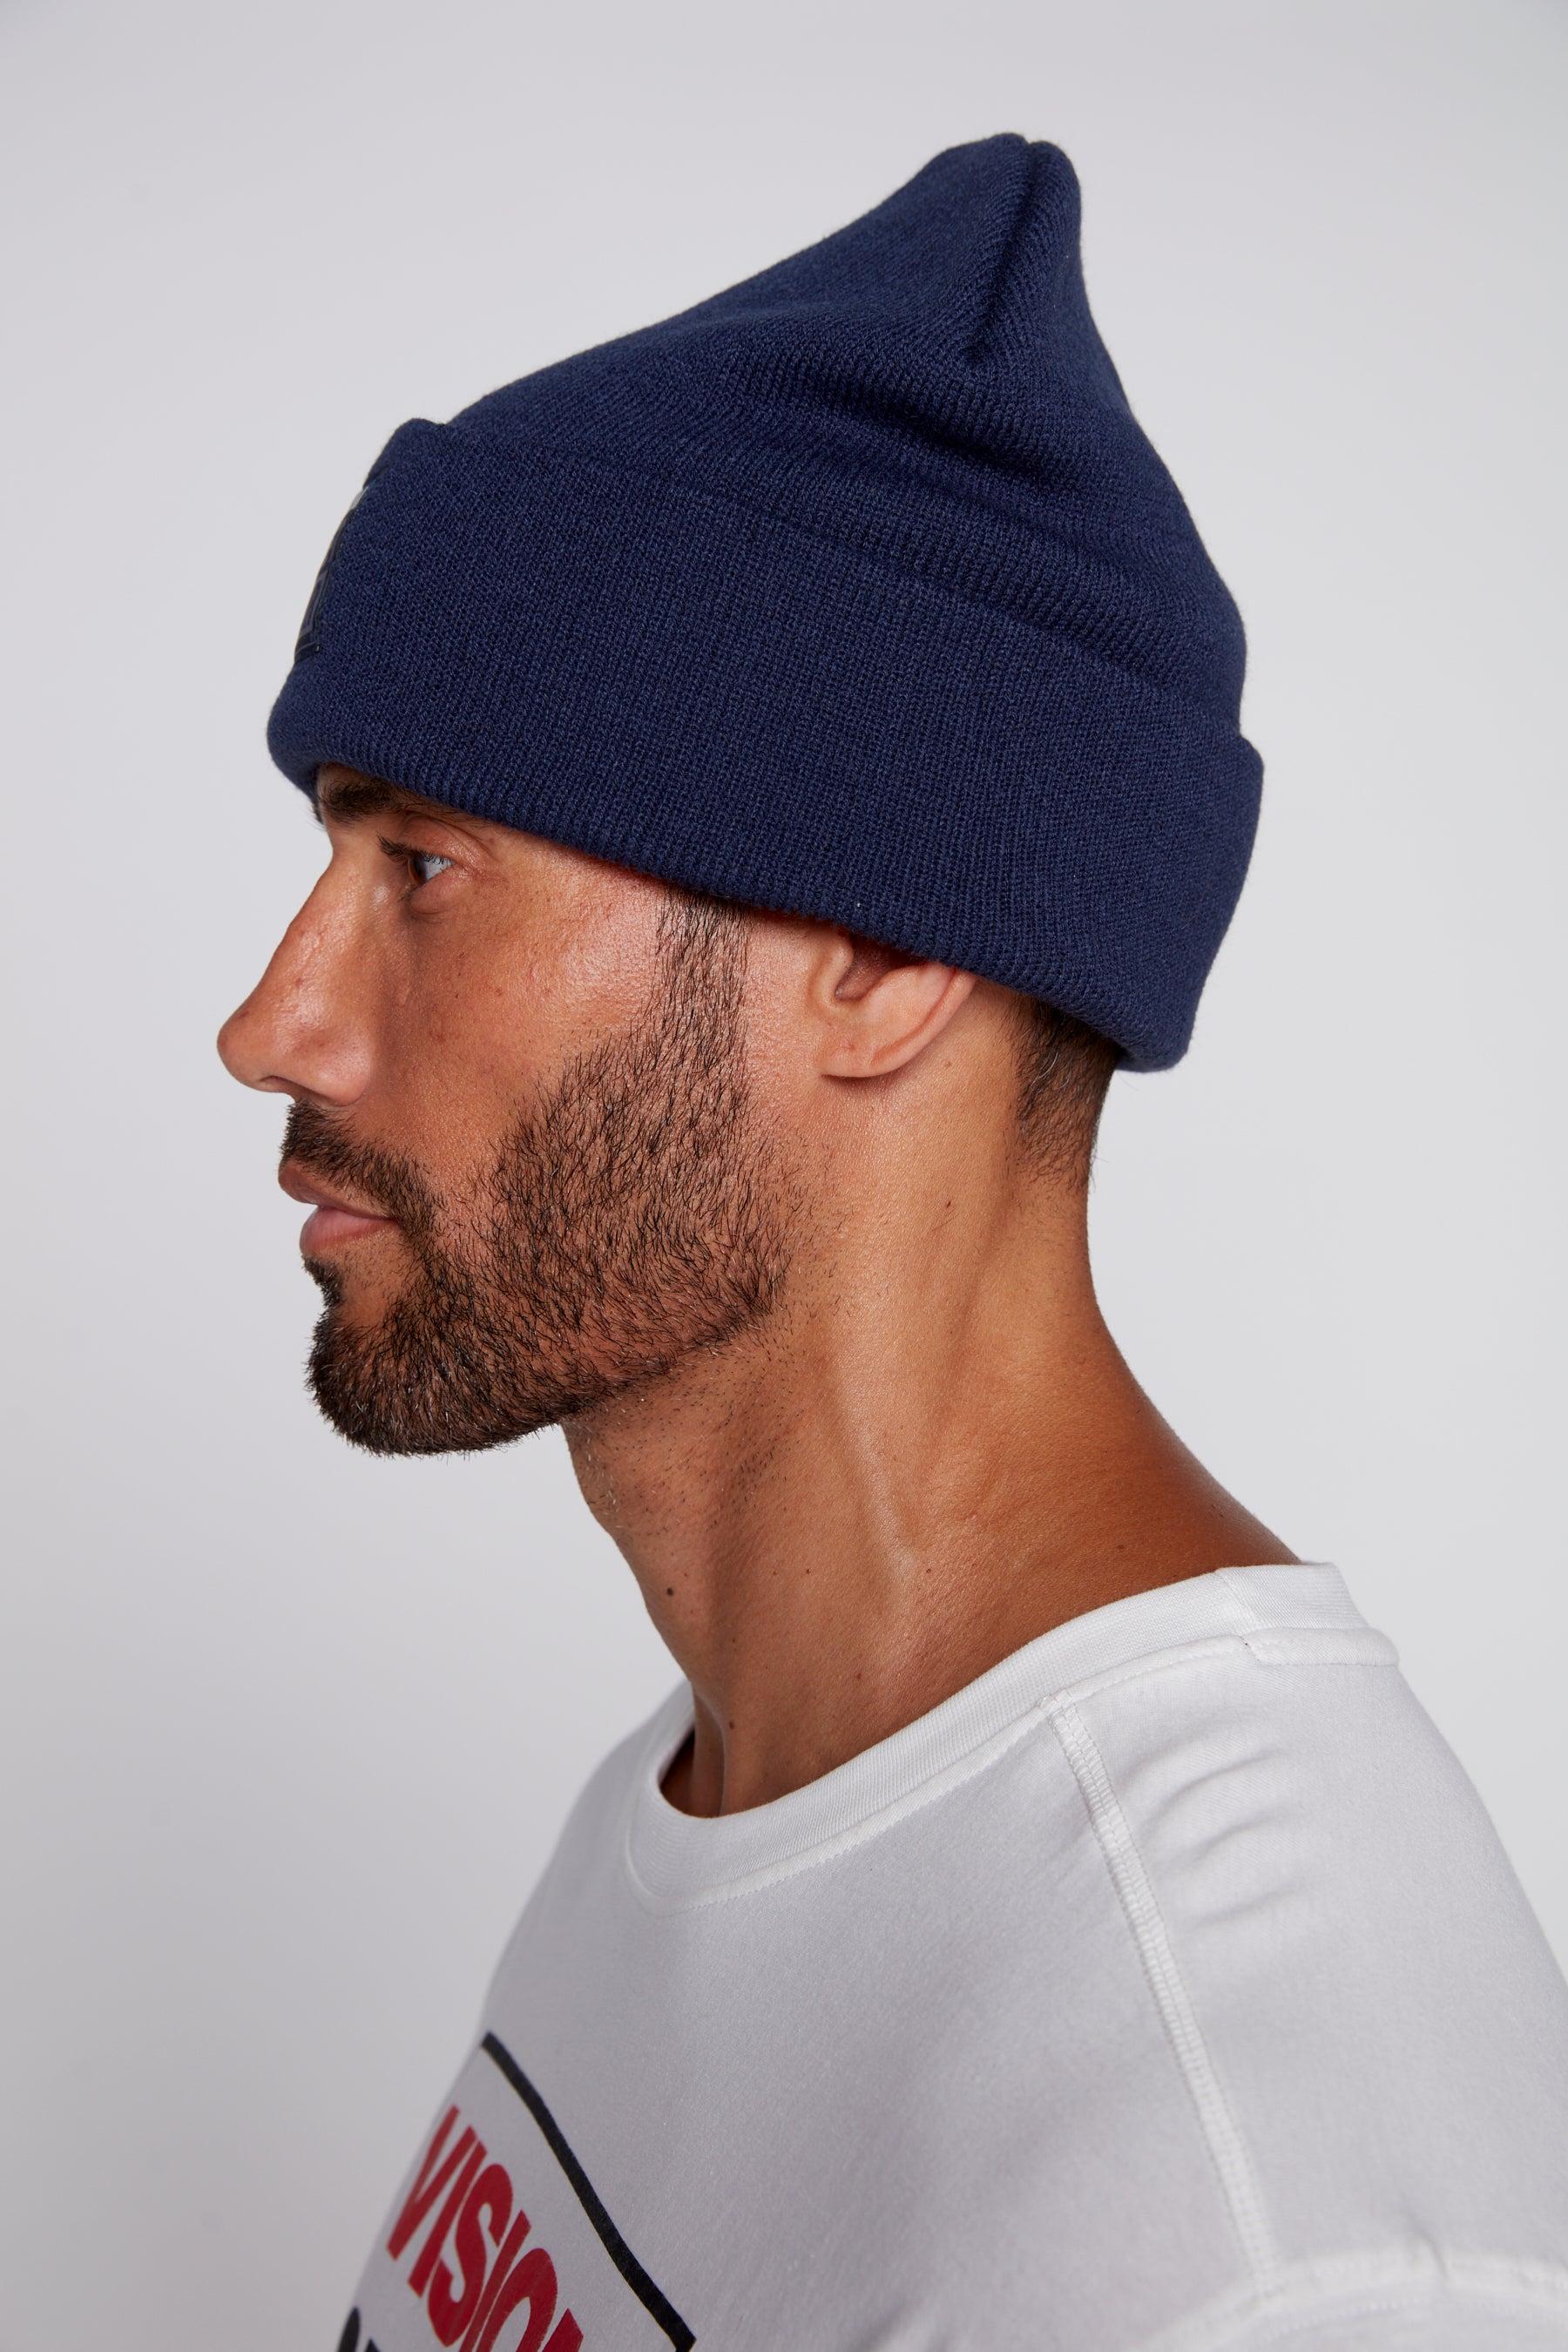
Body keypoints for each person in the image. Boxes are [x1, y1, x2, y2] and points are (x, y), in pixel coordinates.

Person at [219, 136, 1568, 2352]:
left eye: (424, 867)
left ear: (877, 953)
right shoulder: (731, 1791)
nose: (272, 1023)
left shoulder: (1264, 2227)